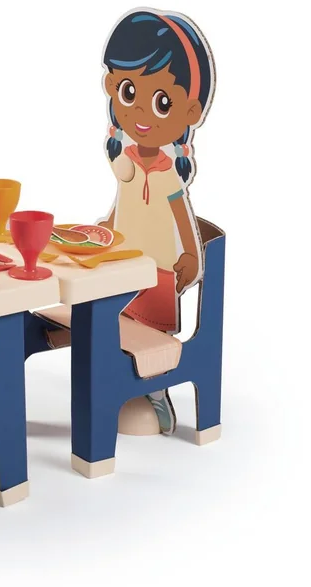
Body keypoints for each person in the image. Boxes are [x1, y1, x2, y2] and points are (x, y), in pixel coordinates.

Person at [98, 9, 215, 433]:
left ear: (189, 110)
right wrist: (103, 234)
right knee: (116, 324)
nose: (141, 114)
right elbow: (120, 209)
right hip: (124, 266)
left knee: (151, 338)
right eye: (129, 92)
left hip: (159, 273)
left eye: (162, 101)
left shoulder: (168, 175)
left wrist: (191, 260)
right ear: (112, 88)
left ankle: (156, 393)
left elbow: (183, 222)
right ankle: (124, 389)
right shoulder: (125, 163)